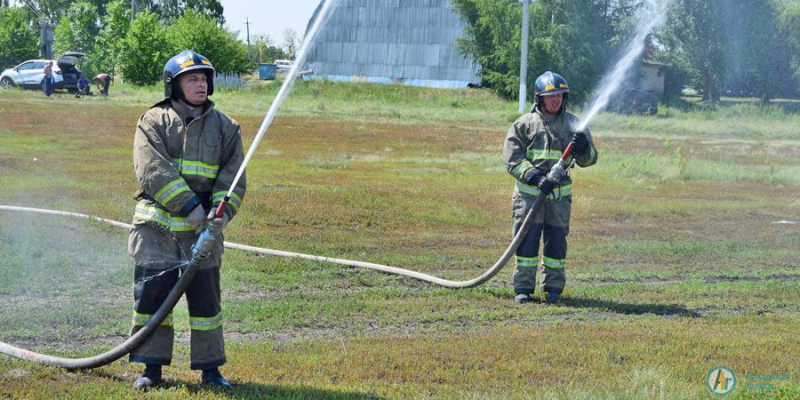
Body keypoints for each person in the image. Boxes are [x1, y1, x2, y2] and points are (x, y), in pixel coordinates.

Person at [128, 50, 246, 389]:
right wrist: (190, 206)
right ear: (173, 84)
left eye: (204, 78)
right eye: (192, 78)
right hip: (157, 228)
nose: (201, 84)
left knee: (207, 303)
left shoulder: (226, 126)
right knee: (152, 300)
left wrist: (221, 213)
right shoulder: (153, 121)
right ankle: (150, 369)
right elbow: (152, 170)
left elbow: (235, 176)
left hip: (205, 231)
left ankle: (211, 370)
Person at [503, 71, 598, 304]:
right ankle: (523, 288)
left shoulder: (575, 125)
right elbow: (512, 159)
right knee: (526, 242)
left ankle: (553, 289)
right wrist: (535, 177)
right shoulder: (524, 124)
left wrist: (584, 148)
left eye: (560, 95)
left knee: (556, 243)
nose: (556, 99)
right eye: (551, 95)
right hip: (528, 197)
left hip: (559, 199)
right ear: (539, 98)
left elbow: (590, 159)